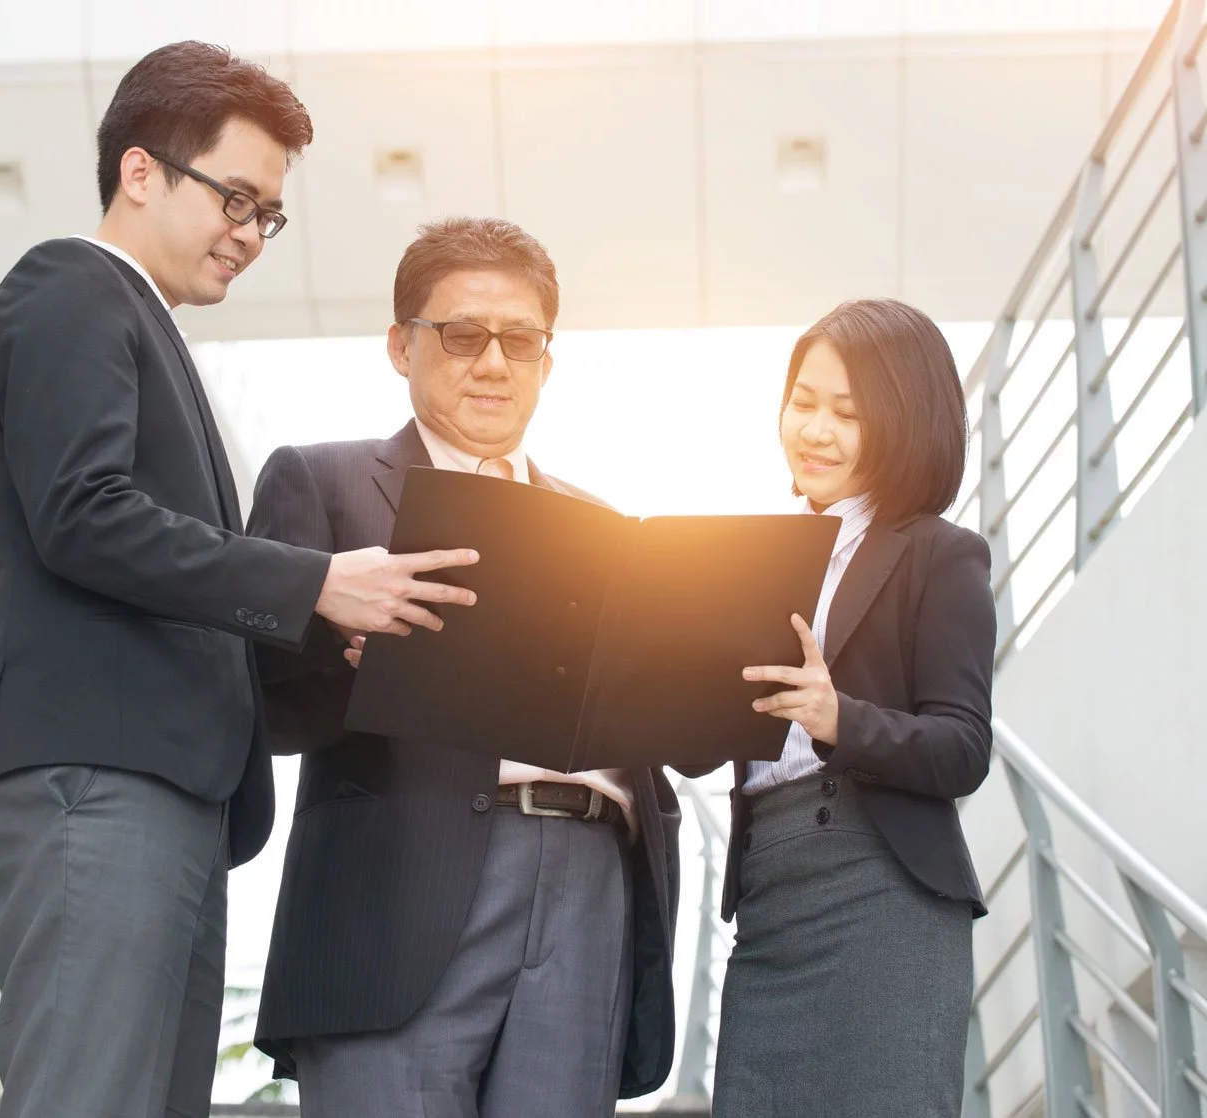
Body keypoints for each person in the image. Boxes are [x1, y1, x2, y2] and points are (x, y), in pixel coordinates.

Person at [0, 42, 476, 1118]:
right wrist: (313, 578)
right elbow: (83, 515)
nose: (249, 234)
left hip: (160, 793)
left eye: (266, 216)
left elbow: (160, 573)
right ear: (140, 172)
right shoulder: (71, 285)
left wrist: (331, 625)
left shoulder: (148, 331)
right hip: (95, 779)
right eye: (235, 198)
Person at [246, 217, 681, 1118]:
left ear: (547, 362)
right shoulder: (320, 482)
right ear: (402, 346)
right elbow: (260, 699)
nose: (494, 363)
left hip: (591, 880)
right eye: (463, 335)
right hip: (400, 893)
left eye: (520, 341)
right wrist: (348, 644)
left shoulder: (602, 526)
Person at [697, 298, 996, 1117]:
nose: (815, 431)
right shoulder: (753, 555)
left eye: (848, 413)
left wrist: (841, 720)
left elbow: (963, 747)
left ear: (904, 422)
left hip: (882, 890)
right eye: (803, 402)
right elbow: (714, 737)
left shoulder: (939, 553)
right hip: (770, 897)